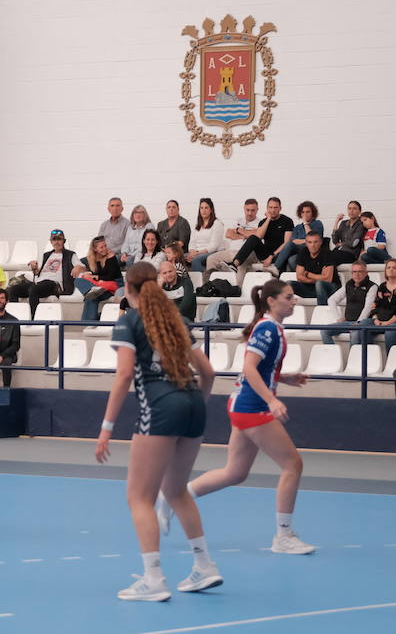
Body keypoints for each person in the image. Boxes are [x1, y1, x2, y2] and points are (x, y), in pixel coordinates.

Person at [94, 262, 218, 602]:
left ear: (128, 288)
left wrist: (106, 428)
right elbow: (208, 373)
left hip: (161, 407)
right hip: (193, 404)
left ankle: (153, 579)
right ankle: (204, 565)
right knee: (176, 491)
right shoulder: (178, 320)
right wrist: (197, 403)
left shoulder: (129, 321)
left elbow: (123, 376)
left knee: (139, 497)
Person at [167, 279, 316, 556]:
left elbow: (261, 369)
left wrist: (284, 378)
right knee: (293, 464)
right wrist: (272, 400)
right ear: (271, 301)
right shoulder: (267, 328)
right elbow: (249, 368)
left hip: (243, 404)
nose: (293, 301)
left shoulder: (272, 328)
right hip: (251, 407)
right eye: (288, 297)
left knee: (235, 473)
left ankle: (172, 497)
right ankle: (283, 536)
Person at [8, 231, 79, 316]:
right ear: (51, 241)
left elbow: (82, 267)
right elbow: (37, 272)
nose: (57, 242)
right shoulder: (46, 255)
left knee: (33, 290)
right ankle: (15, 318)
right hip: (39, 283)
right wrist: (34, 267)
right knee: (13, 290)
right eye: (54, 239)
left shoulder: (70, 254)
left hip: (54, 284)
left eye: (59, 239)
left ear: (64, 241)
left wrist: (77, 267)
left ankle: (34, 319)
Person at [354, 258, 396, 349]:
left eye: (394, 268)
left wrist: (387, 323)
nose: (391, 270)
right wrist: (376, 320)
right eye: (388, 267)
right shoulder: (382, 287)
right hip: (383, 320)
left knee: (389, 332)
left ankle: (391, 357)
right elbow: (375, 306)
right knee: (363, 324)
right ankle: (370, 355)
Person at [229, 198, 293, 278]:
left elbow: (287, 242)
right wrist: (268, 219)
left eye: (275, 207)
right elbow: (258, 236)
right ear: (267, 208)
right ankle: (234, 264)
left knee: (286, 247)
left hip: (279, 254)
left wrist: (271, 256)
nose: (273, 210)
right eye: (270, 207)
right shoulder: (263, 222)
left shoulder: (287, 221)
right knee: (253, 238)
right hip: (265, 254)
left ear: (280, 208)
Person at [321, 262, 378, 343]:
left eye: (360, 271)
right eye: (354, 272)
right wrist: (338, 318)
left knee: (354, 333)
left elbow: (368, 308)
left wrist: (359, 323)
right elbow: (332, 300)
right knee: (324, 331)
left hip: (363, 323)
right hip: (347, 323)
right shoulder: (349, 284)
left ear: (366, 273)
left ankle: (353, 352)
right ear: (351, 273)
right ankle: (333, 351)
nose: (357, 274)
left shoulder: (372, 287)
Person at [202, 199, 262, 272]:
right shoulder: (239, 220)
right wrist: (246, 235)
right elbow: (228, 234)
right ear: (244, 209)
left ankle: (236, 278)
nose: (249, 213)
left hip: (248, 254)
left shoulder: (260, 223)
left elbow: (256, 235)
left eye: (253, 210)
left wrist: (238, 230)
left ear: (257, 209)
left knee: (240, 263)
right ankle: (212, 279)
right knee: (211, 259)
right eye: (248, 210)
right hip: (231, 251)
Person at [74, 237, 122, 322]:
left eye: (105, 246)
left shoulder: (111, 257)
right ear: (95, 249)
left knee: (91, 297)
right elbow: (78, 262)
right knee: (79, 281)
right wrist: (77, 267)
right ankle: (91, 291)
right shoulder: (90, 259)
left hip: (112, 286)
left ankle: (88, 324)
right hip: (99, 286)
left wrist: (96, 277)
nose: (104, 248)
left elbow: (111, 276)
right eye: (101, 247)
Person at [289, 231, 339, 306]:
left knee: (319, 284)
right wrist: (318, 278)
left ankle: (322, 310)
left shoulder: (327, 253)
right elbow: (299, 277)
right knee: (288, 284)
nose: (312, 245)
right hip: (310, 288)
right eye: (310, 242)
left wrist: (308, 274)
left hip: (330, 288)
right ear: (306, 243)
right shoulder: (303, 252)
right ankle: (287, 311)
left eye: (315, 242)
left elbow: (328, 279)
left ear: (321, 242)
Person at [271, 201, 322, 274]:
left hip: (312, 251)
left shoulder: (317, 223)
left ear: (312, 213)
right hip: (299, 252)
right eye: (303, 212)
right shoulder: (298, 227)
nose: (305, 214)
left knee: (291, 256)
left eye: (308, 212)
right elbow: (293, 241)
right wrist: (305, 241)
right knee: (291, 259)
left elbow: (312, 238)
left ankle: (276, 268)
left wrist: (305, 224)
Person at [185, 198, 224, 273]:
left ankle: (204, 278)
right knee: (179, 258)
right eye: (201, 208)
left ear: (211, 210)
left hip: (211, 252)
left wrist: (197, 253)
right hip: (197, 252)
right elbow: (192, 242)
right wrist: (192, 252)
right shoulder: (197, 225)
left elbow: (214, 246)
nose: (203, 210)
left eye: (206, 208)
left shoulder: (217, 224)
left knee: (196, 260)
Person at [328, 201, 366, 265]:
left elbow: (353, 243)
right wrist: (336, 222)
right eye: (349, 208)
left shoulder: (361, 224)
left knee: (332, 258)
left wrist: (342, 243)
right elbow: (335, 241)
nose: (351, 211)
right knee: (325, 256)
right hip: (339, 251)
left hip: (351, 253)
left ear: (359, 211)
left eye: (354, 208)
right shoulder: (343, 223)